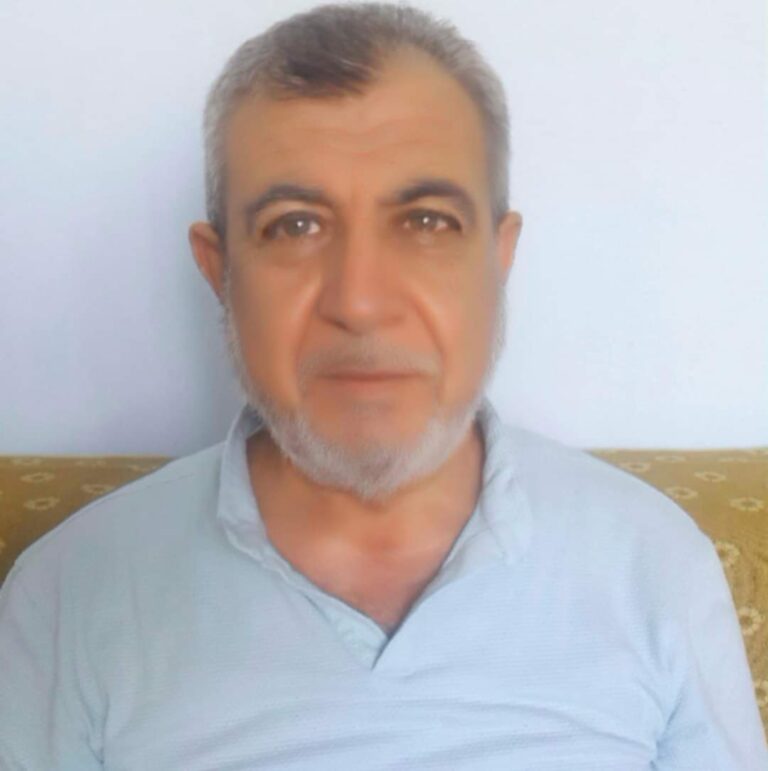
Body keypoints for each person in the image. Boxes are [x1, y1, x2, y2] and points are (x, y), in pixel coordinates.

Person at [0, 3, 765, 768]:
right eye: (295, 225)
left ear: (498, 259)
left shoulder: (654, 562)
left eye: (427, 222)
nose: (360, 301)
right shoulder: (71, 593)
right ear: (219, 270)